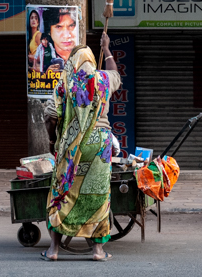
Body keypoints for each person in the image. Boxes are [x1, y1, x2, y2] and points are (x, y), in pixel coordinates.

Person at [42, 32, 121, 261]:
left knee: (62, 191)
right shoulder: (103, 80)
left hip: (73, 145)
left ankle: (54, 250)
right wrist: (106, 49)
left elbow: (50, 116)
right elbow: (116, 73)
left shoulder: (65, 84)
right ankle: (97, 251)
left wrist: (52, 141)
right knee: (98, 195)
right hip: (100, 145)